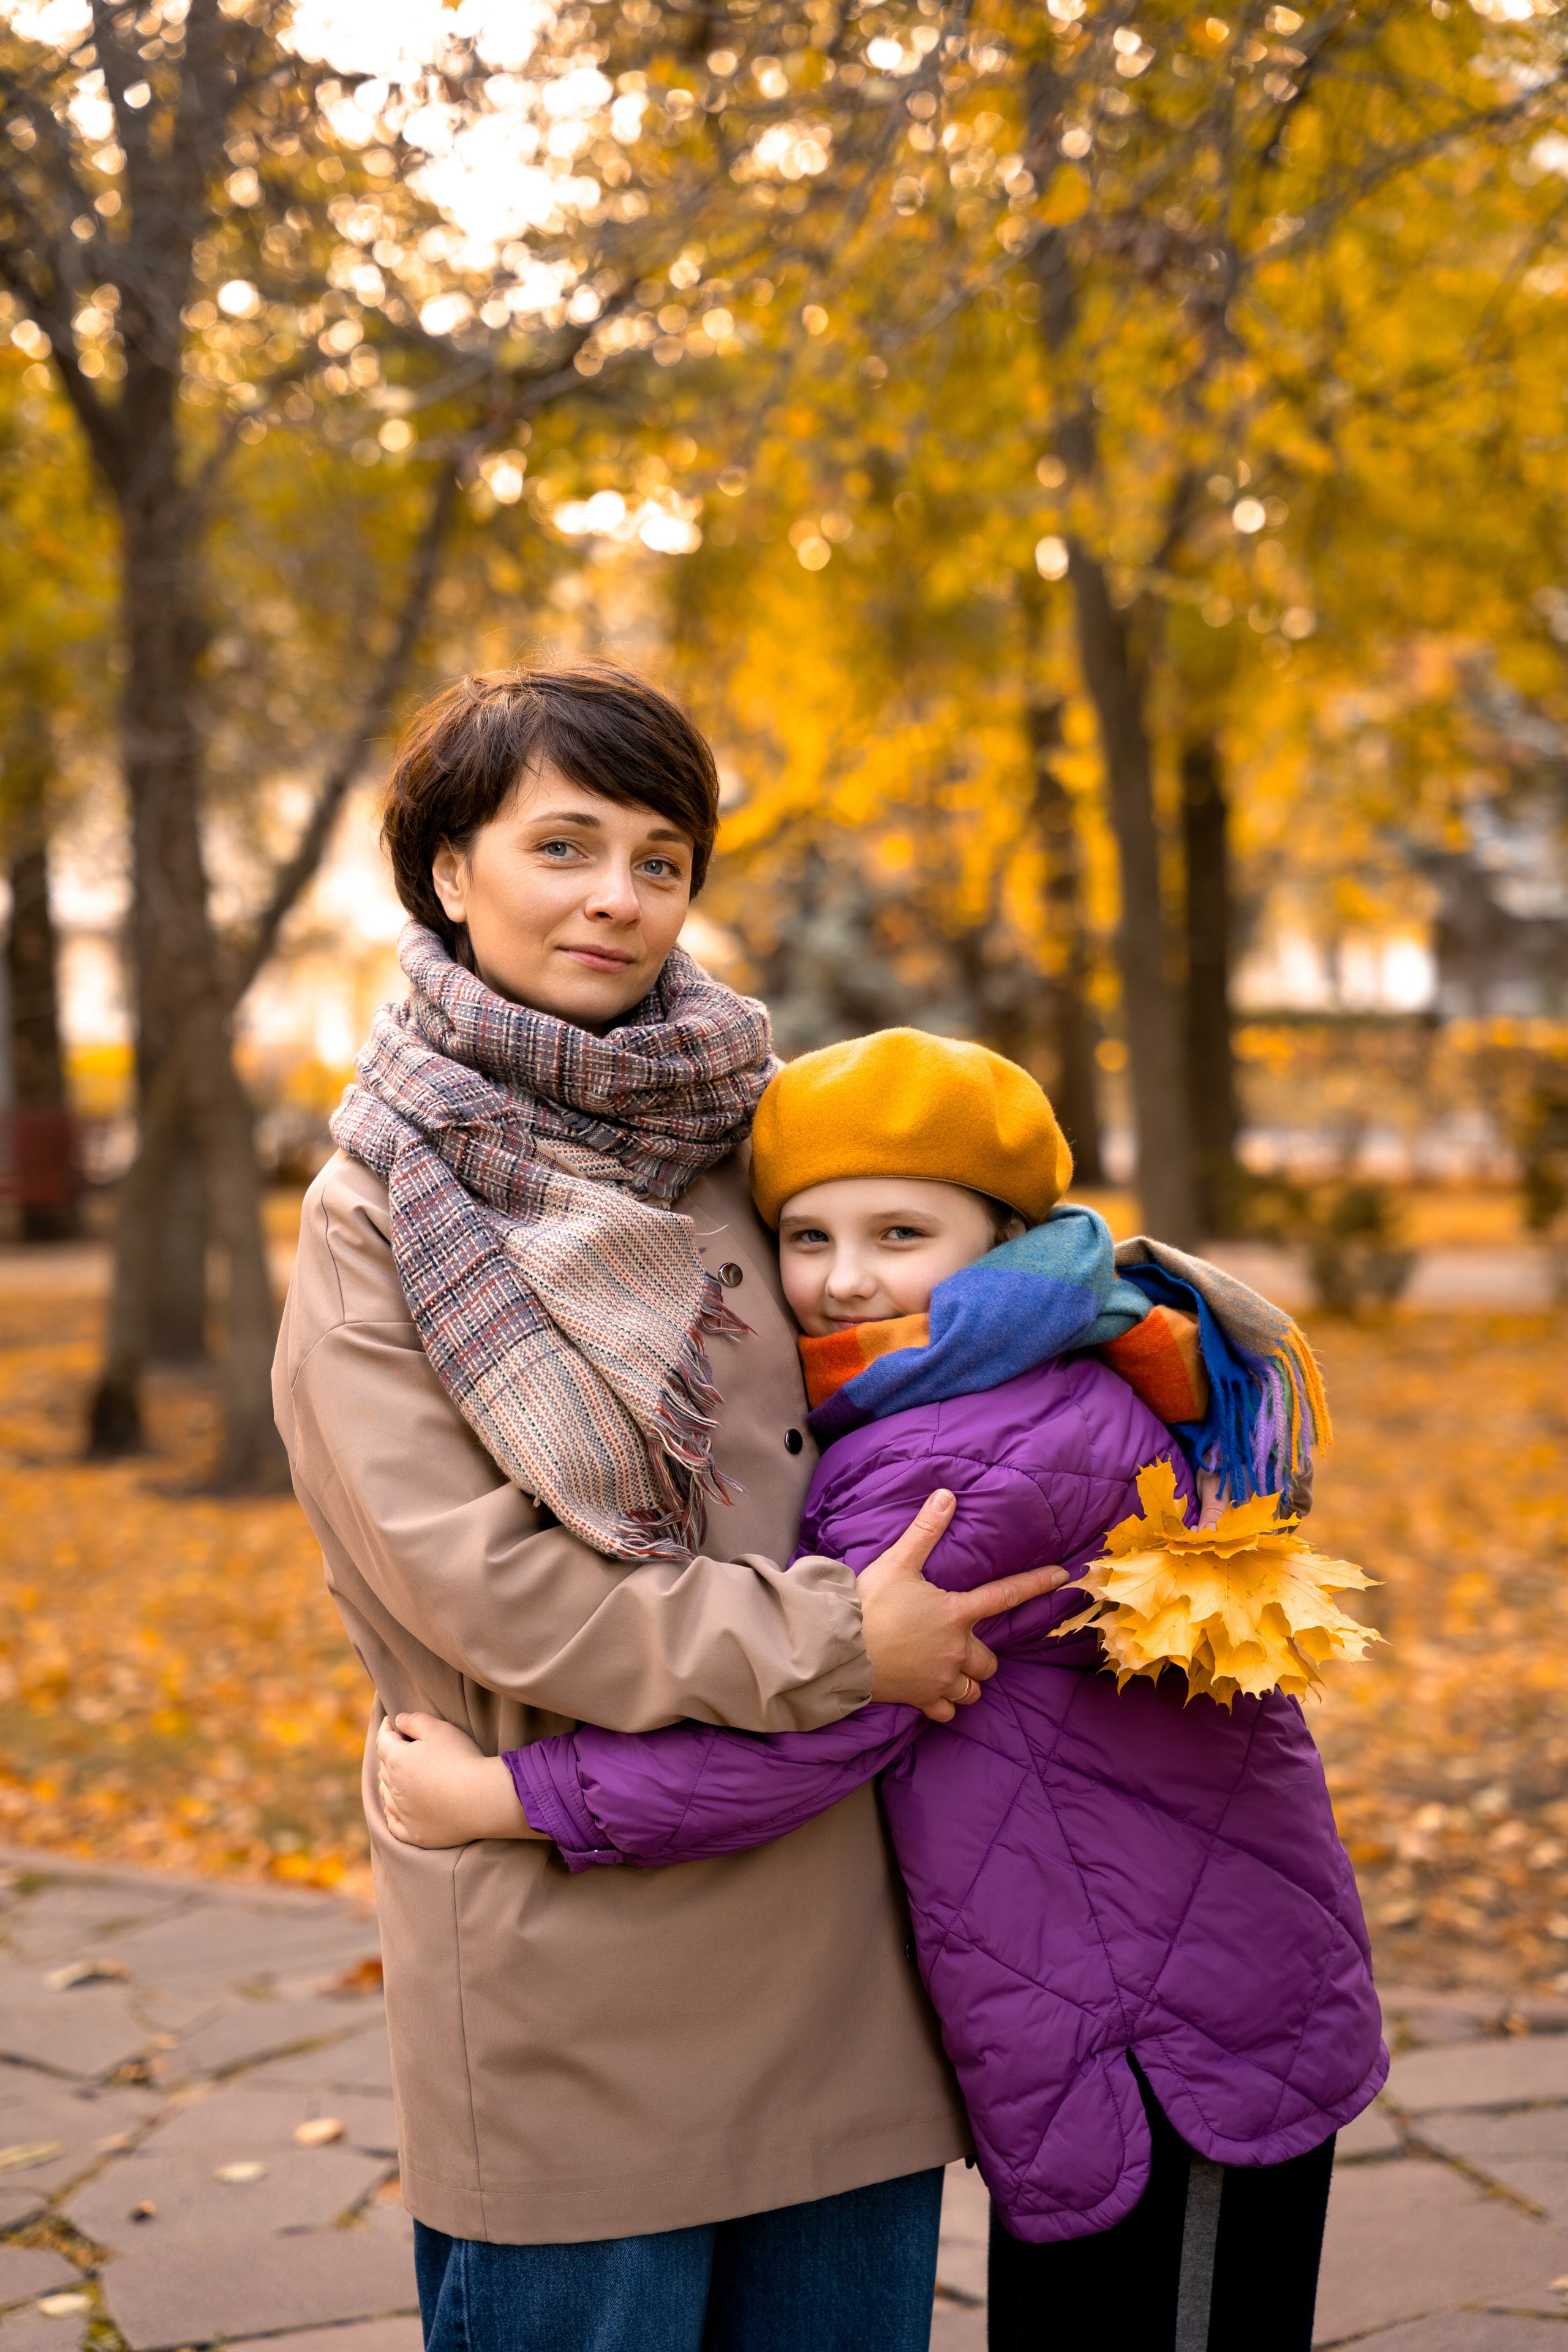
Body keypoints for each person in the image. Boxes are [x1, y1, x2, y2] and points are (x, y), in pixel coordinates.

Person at [273, 667, 1071, 2352]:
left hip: (839, 1933)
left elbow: (987, 1335)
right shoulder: (377, 1208)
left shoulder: (763, 1144)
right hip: (572, 1948)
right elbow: (484, 1591)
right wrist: (849, 1639)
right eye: (563, 845)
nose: (617, 897)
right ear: (449, 872)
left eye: (661, 857)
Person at [380, 1028, 1387, 2352]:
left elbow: (816, 1728)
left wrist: (504, 1797)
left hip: (1178, 2027)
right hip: (1101, 1993)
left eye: (900, 1234)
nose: (843, 1281)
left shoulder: (970, 1446)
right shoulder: (978, 1380)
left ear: (1003, 1234)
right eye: (807, 1237)